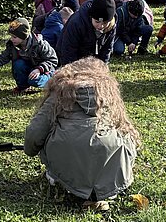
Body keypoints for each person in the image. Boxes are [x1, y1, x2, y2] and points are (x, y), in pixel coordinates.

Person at [24, 57, 139, 211]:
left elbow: (35, 132)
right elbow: (123, 127)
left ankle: (60, 179)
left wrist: (31, 150)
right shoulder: (107, 92)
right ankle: (105, 189)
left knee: (50, 136)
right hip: (109, 156)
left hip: (67, 153)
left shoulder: (59, 91)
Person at [0, 18, 57, 94]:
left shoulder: (40, 44)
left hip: (43, 70)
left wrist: (39, 69)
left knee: (34, 80)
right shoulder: (12, 45)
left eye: (14, 37)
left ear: (24, 36)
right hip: (29, 68)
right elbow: (3, 57)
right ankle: (22, 87)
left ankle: (51, 81)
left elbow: (52, 60)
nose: (12, 39)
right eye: (11, 36)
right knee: (18, 64)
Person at [57, 0, 117, 67]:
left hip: (91, 58)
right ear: (91, 16)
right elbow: (68, 51)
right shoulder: (76, 22)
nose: (101, 26)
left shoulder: (111, 25)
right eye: (97, 22)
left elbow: (107, 49)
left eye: (105, 23)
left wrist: (102, 67)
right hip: (72, 58)